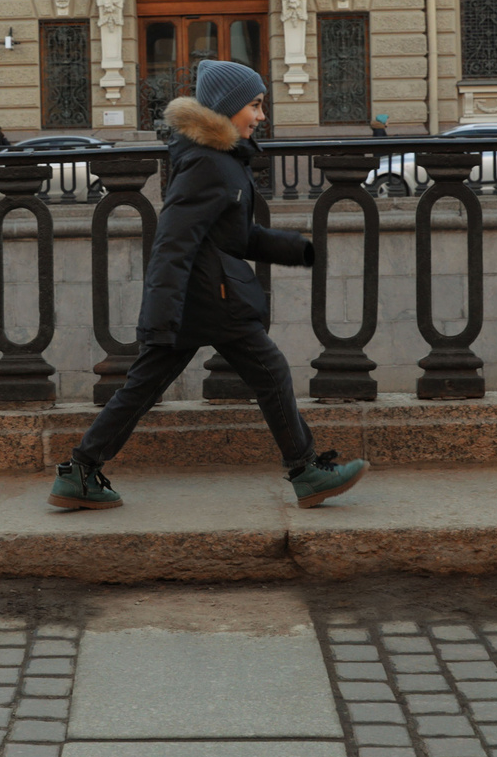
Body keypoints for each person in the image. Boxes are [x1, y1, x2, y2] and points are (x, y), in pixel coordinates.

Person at [50, 59, 368, 513]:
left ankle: (79, 472)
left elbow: (233, 236)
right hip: (209, 299)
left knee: (142, 388)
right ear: (227, 107)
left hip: (202, 296)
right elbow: (172, 242)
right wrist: (158, 316)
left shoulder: (222, 160)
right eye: (255, 105)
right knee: (270, 371)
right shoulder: (208, 163)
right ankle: (305, 471)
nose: (261, 116)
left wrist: (296, 250)